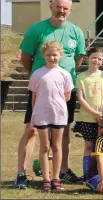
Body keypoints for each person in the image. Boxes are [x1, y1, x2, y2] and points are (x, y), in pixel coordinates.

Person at [14, 0, 87, 189]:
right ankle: (21, 173)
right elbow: (25, 57)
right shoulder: (37, 30)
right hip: (41, 89)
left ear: (70, 11)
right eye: (58, 7)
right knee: (31, 130)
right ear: (50, 7)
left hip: (64, 89)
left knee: (63, 132)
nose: (61, 11)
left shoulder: (76, 32)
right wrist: (41, 76)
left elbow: (78, 58)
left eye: (65, 8)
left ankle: (62, 171)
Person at [28, 40, 74, 192]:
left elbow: (67, 96)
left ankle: (56, 177)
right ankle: (46, 179)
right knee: (45, 146)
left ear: (60, 55)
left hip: (59, 114)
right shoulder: (37, 73)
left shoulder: (65, 74)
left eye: (55, 55)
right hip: (41, 114)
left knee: (57, 146)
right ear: (44, 55)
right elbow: (34, 96)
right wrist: (35, 114)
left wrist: (57, 104)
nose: (52, 58)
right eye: (48, 55)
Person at [74, 47, 103, 180]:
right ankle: (87, 175)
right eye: (94, 57)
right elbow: (81, 98)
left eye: (99, 58)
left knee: (102, 145)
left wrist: (101, 114)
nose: (96, 60)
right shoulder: (81, 77)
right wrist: (93, 113)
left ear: (102, 61)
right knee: (89, 145)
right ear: (88, 58)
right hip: (87, 118)